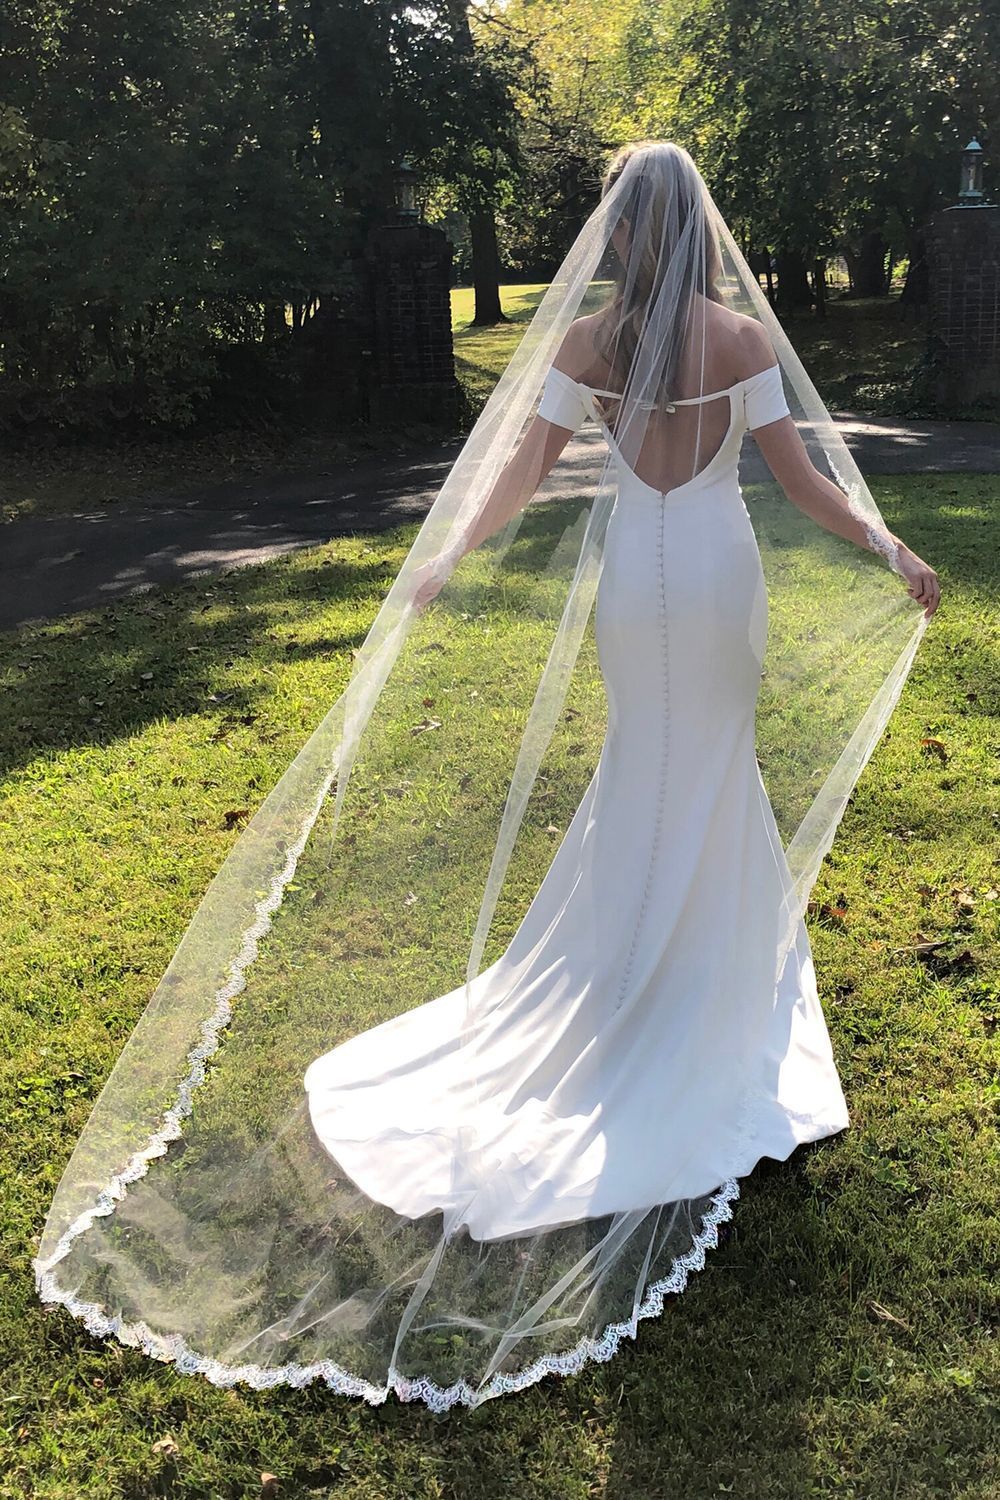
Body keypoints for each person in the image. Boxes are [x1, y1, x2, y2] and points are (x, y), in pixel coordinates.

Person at [36, 140, 937, 1413]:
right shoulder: (737, 340)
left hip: (637, 582)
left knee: (649, 765)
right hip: (721, 579)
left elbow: (518, 473)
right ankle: (706, 1001)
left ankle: (639, 979)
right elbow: (801, 484)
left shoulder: (588, 344)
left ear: (621, 231)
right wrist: (890, 547)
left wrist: (448, 553)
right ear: (703, 222)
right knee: (709, 772)